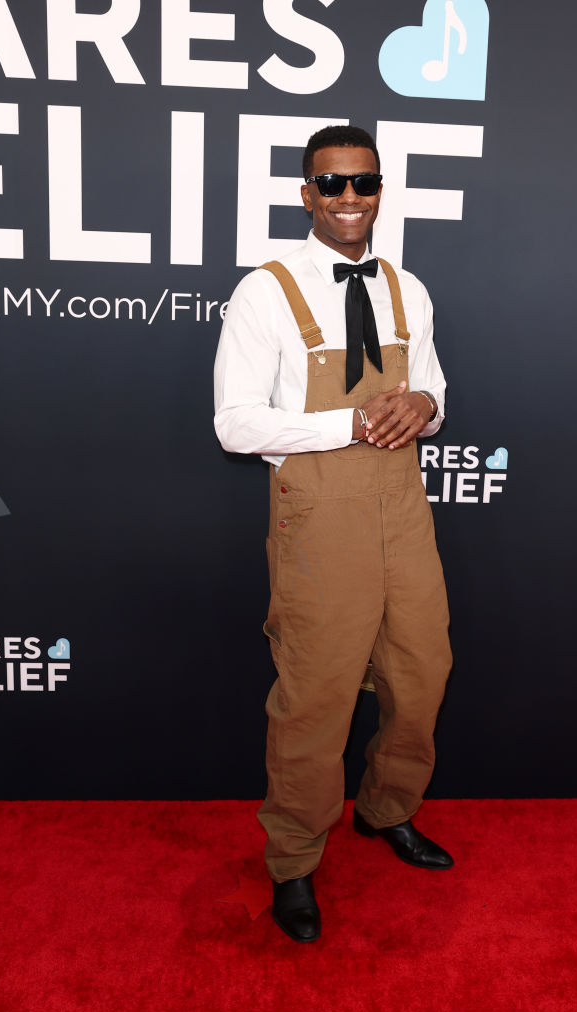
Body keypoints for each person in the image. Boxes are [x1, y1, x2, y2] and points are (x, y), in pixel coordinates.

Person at [214, 125, 453, 943]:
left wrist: (422, 406)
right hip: (319, 514)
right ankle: (293, 861)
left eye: (365, 183)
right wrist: (348, 422)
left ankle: (387, 810)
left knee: (421, 673)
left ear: (380, 190)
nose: (350, 198)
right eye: (333, 184)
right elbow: (235, 424)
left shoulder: (405, 287)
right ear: (306, 193)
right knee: (314, 698)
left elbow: (431, 387)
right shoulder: (264, 292)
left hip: (403, 509)